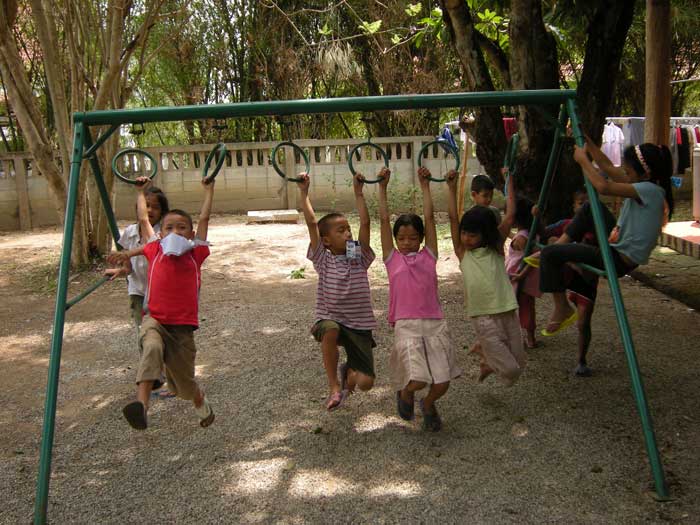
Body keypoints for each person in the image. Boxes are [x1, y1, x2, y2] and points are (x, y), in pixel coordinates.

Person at [536, 140, 673, 373]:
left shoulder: (649, 190)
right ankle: (561, 247)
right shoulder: (647, 186)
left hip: (617, 257)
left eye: (628, 172)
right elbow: (608, 167)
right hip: (615, 246)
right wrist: (587, 142)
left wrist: (582, 160)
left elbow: (603, 185)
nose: (624, 174)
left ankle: (562, 307)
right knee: (590, 208)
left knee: (549, 254)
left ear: (643, 173)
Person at [114, 176, 216, 430]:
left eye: (181, 228)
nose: (175, 232)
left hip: (182, 330)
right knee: (151, 350)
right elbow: (143, 220)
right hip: (155, 319)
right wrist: (140, 192)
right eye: (169, 228)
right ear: (160, 234)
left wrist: (208, 191)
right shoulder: (154, 249)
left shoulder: (196, 253)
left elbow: (204, 219)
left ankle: (200, 402)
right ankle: (142, 406)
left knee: (184, 385)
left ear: (191, 234)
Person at [378, 167, 461, 432]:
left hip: (434, 323)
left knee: (442, 381)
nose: (407, 242)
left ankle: (428, 404)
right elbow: (382, 220)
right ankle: (405, 394)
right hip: (407, 324)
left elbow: (429, 218)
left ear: (422, 238)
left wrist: (425, 186)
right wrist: (382, 187)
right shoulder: (392, 259)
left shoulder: (429, 256)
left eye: (413, 237)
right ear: (395, 240)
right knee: (415, 378)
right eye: (401, 238)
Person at [297, 169, 383, 411]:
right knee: (331, 329)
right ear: (326, 241)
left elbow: (365, 222)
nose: (348, 233)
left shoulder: (357, 257)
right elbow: (312, 223)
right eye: (341, 231)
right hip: (331, 318)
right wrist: (304, 194)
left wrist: (359, 192)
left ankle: (349, 375)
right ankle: (334, 386)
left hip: (360, 324)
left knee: (366, 383)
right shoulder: (323, 259)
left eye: (348, 230)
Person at [447, 170, 526, 385]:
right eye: (464, 233)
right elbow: (453, 218)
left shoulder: (496, 249)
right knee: (511, 372)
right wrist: (452, 188)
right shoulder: (462, 252)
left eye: (472, 235)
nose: (466, 238)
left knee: (519, 362)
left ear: (486, 234)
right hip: (482, 315)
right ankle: (489, 359)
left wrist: (509, 180)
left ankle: (487, 356)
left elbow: (509, 215)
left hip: (507, 310)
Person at [106, 186, 174, 397]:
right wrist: (121, 270)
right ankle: (155, 375)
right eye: (146, 206)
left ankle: (171, 378)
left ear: (162, 211)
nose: (150, 210)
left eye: (155, 206)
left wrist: (140, 190)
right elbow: (128, 264)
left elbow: (146, 224)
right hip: (138, 292)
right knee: (144, 335)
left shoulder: (163, 234)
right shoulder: (129, 233)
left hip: (160, 295)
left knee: (168, 336)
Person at [505, 197, 541, 349]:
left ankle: (520, 338)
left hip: (519, 279)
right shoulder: (527, 234)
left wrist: (522, 275)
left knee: (517, 308)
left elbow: (531, 258)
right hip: (523, 279)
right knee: (528, 307)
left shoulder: (522, 239)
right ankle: (531, 338)